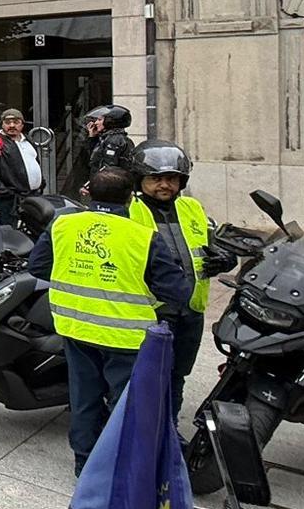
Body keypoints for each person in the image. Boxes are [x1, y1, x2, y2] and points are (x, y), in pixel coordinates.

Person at [29, 165, 193, 472]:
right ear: (131, 199)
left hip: (75, 328)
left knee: (84, 398)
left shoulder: (63, 224)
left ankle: (85, 464)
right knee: (126, 405)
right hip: (125, 336)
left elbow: (38, 267)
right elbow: (179, 292)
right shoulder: (143, 237)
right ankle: (122, 467)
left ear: (89, 194)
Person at [127, 141, 228, 418]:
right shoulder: (129, 210)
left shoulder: (192, 207)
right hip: (151, 313)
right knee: (147, 378)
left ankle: (168, 428)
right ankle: (145, 433)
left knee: (177, 376)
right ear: (140, 179)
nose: (164, 185)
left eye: (171, 179)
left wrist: (224, 259)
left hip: (191, 310)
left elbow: (209, 244)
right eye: (156, 178)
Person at [81, 104, 135, 174]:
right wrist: (92, 137)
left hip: (109, 182)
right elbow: (94, 157)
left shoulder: (114, 140)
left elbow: (108, 169)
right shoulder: (107, 138)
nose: (96, 123)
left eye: (99, 119)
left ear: (110, 121)